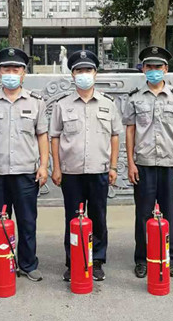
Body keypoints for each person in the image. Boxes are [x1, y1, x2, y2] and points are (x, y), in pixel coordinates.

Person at [0, 47, 48, 282]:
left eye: (16, 69)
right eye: (6, 69)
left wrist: (44, 166)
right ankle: (2, 265)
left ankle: (28, 264)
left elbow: (42, 136)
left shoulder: (36, 102)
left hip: (26, 173)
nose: (11, 73)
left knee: (27, 221)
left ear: (24, 73)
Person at [50, 49, 122, 282]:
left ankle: (97, 260)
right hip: (71, 172)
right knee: (73, 218)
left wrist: (113, 167)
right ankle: (73, 261)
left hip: (99, 170)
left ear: (95, 73)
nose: (84, 74)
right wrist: (56, 167)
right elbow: (55, 137)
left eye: (88, 70)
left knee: (98, 217)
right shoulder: (62, 105)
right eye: (79, 70)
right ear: (73, 75)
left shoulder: (108, 104)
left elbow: (114, 136)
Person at [122, 46, 173, 279]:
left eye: (158, 66)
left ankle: (169, 258)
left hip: (169, 163)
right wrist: (130, 163)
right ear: (143, 69)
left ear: (166, 69)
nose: (153, 70)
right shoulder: (134, 97)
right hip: (144, 163)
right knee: (143, 214)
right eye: (149, 66)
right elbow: (130, 131)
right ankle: (142, 259)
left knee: (169, 214)